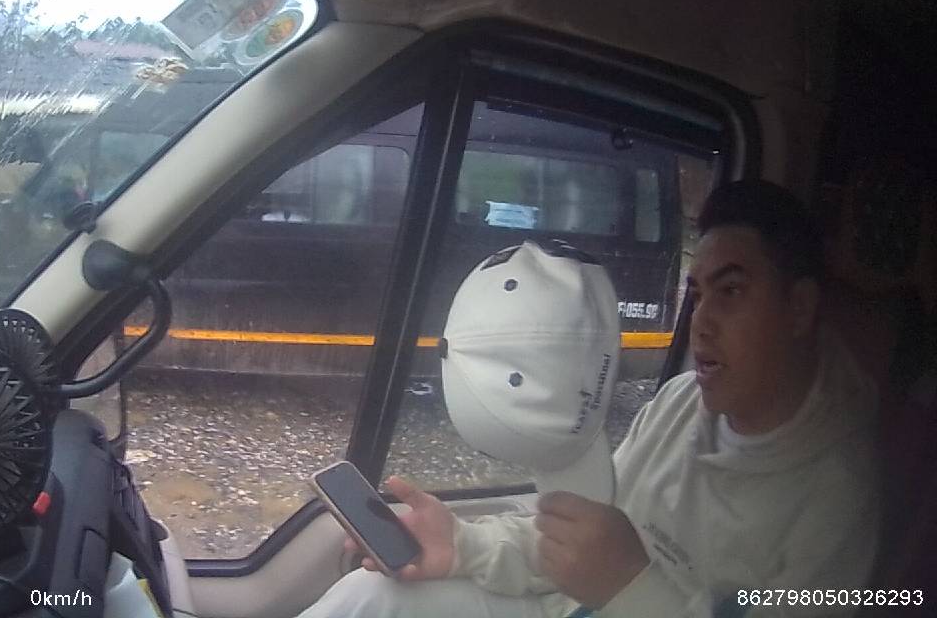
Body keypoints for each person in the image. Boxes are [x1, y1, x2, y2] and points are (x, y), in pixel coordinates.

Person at [297, 180, 879, 617]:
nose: (701, 322)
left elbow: (614, 571)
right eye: (698, 294)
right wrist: (463, 545)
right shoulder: (681, 402)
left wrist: (633, 587)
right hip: (568, 607)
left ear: (799, 308)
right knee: (371, 596)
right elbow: (583, 537)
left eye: (731, 291)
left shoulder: (840, 497)